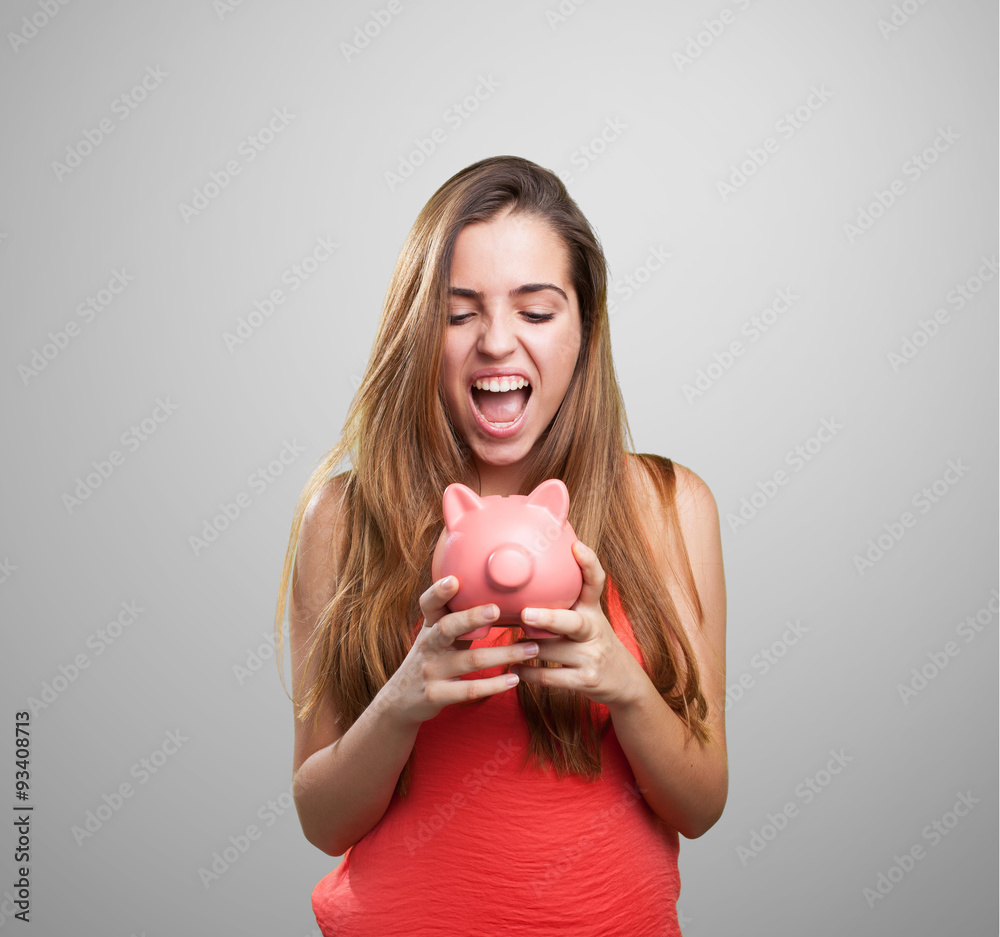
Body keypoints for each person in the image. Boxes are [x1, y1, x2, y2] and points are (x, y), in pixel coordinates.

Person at [274, 155, 728, 936]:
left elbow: (702, 800)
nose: (496, 342)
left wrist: (623, 684)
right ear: (422, 333)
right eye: (459, 314)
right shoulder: (346, 516)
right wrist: (401, 700)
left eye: (536, 311)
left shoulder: (666, 506)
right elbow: (323, 820)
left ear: (585, 328)